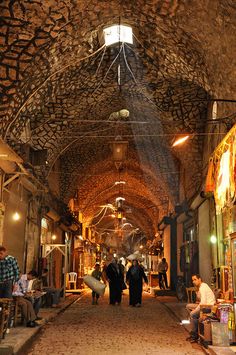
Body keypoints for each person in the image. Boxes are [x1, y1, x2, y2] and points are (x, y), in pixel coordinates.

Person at [186, 274, 216, 343]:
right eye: (192, 280)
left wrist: (195, 310)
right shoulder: (200, 287)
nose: (193, 281)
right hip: (204, 305)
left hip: (208, 306)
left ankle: (194, 335)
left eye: (195, 279)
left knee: (192, 314)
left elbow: (203, 302)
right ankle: (195, 323)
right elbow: (199, 301)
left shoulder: (203, 287)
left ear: (199, 279)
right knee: (188, 306)